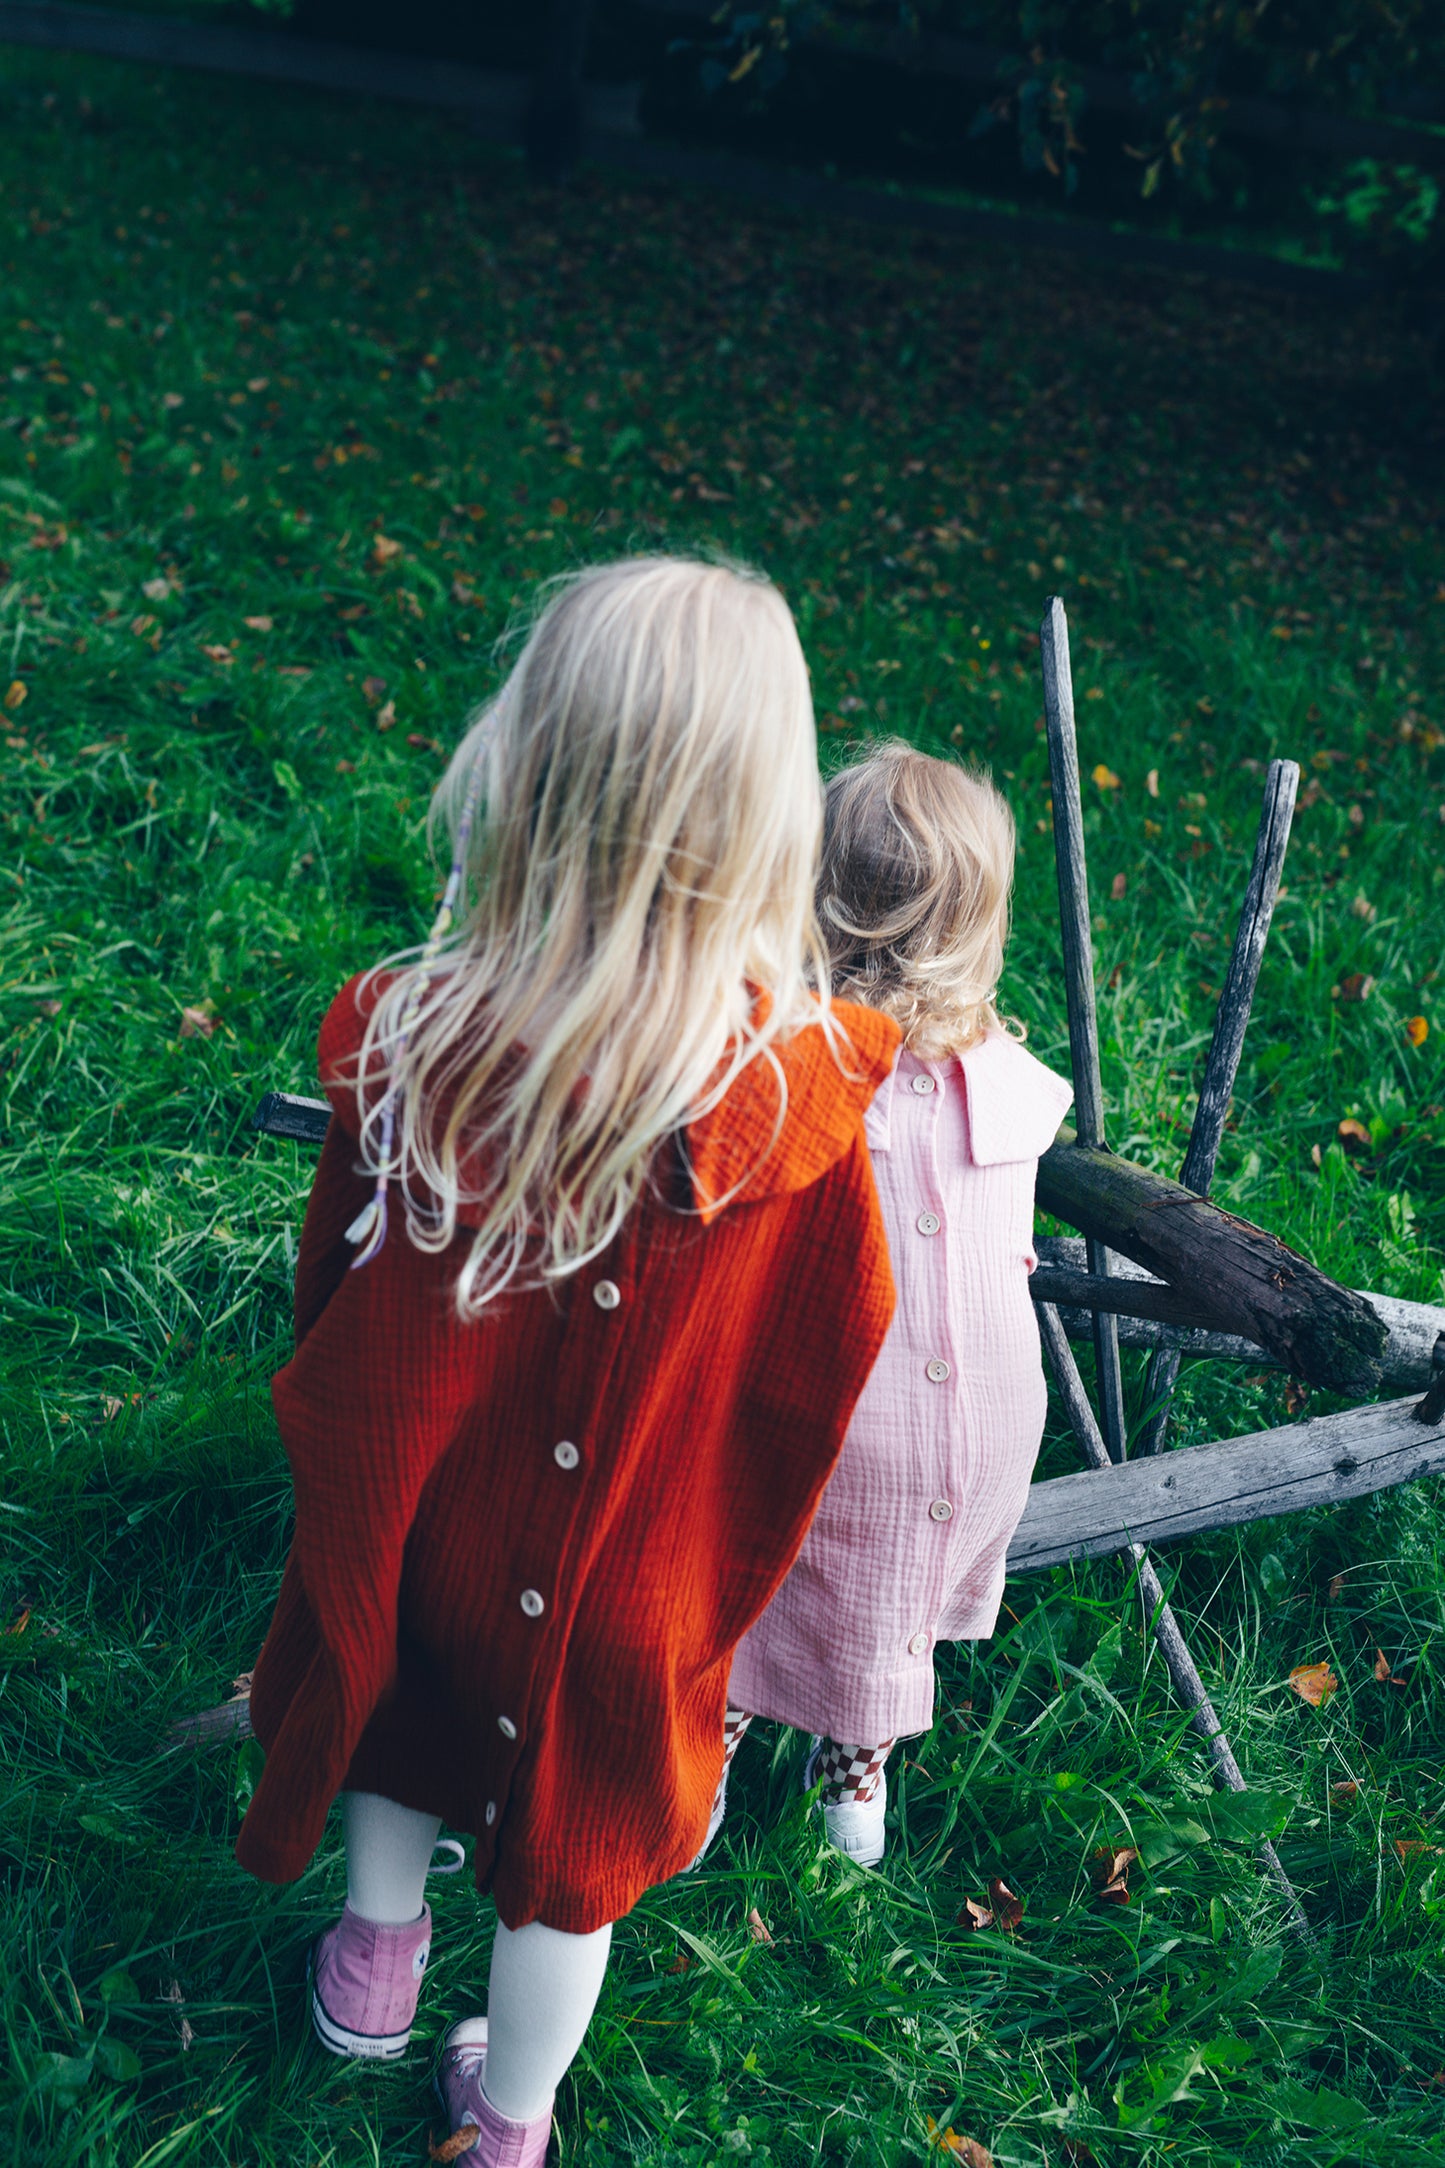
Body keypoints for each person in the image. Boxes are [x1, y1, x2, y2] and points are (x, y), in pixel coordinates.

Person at [234, 556, 903, 2166]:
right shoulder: (794, 1096)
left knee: (400, 1706)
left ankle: (372, 1966)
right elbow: (826, 1348)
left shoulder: (413, 1034)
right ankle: (510, 2116)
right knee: (570, 1859)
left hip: (427, 1513)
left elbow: (333, 1282)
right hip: (631, 1575)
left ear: (530, 772)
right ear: (762, 817)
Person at [720, 743, 1072, 1868]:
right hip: (978, 1442)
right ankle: (852, 1788)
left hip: (834, 1423)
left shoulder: (787, 1069)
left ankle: (703, 1759)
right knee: (882, 1606)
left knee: (748, 1588)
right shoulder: (1016, 1086)